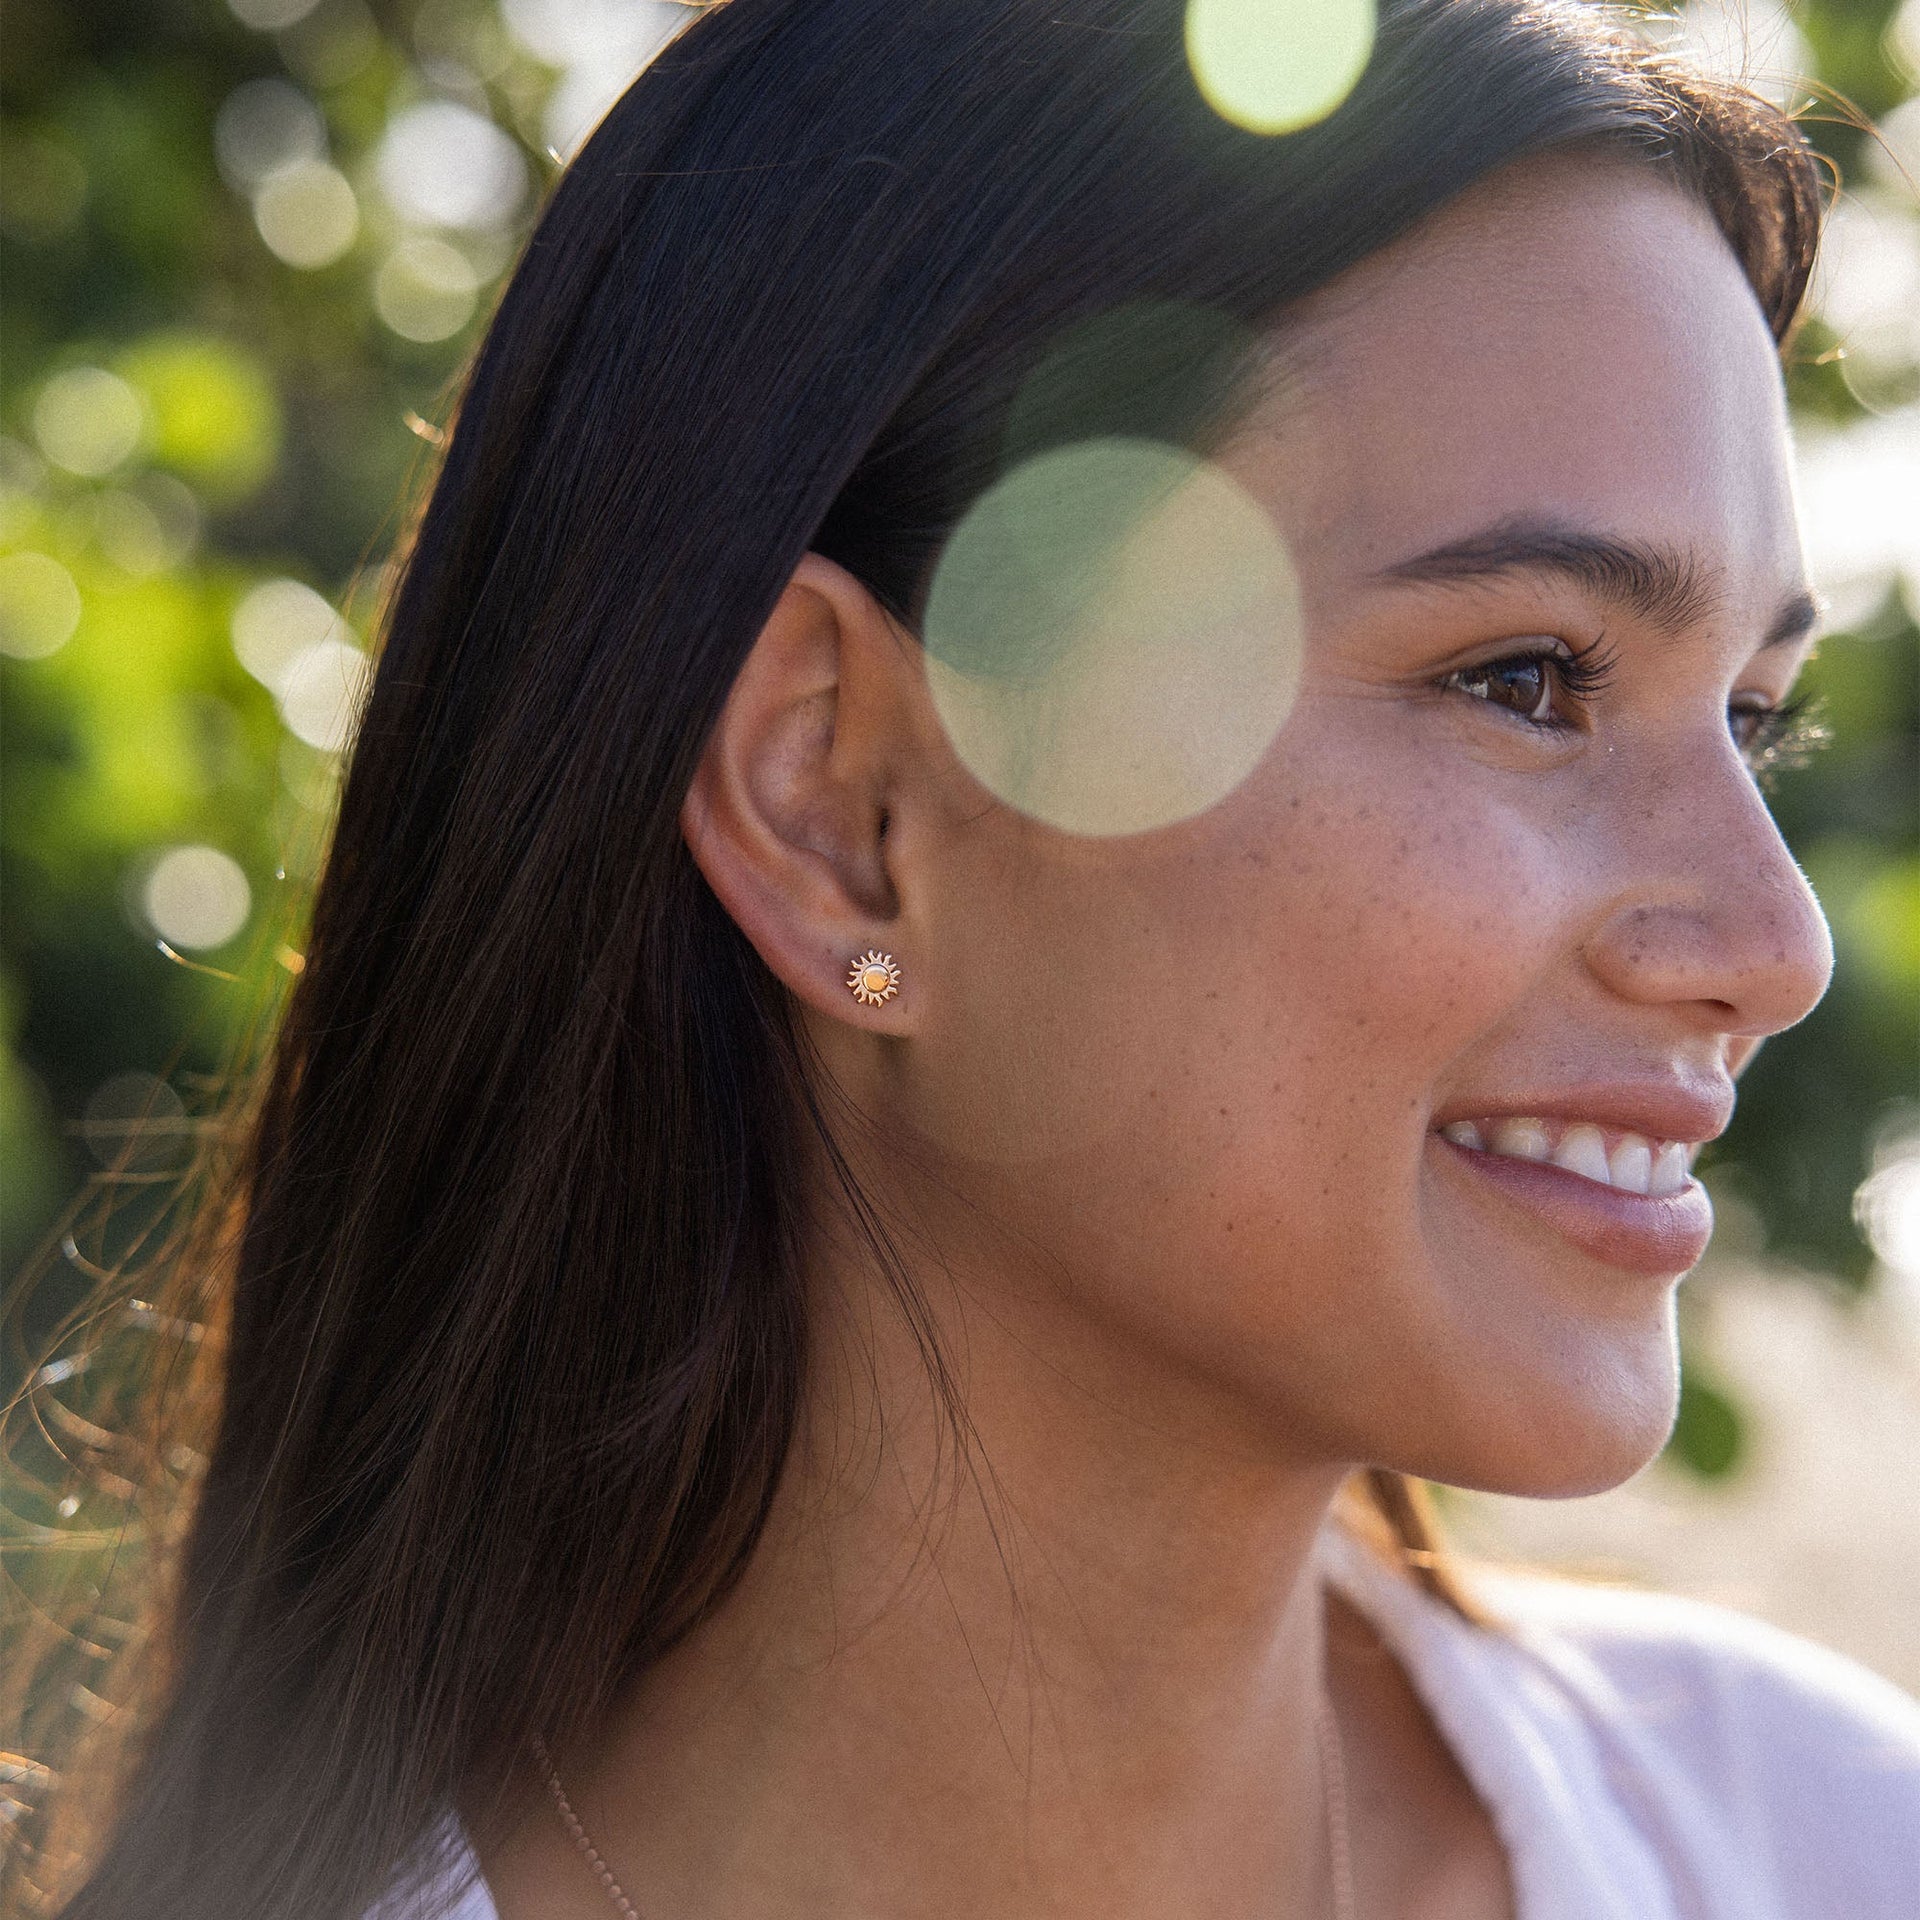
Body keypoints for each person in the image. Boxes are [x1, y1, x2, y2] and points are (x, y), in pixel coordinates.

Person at [28, 1, 1920, 1916]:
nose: (1775, 946)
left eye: (1755, 718)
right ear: (840, 808)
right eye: (1527, 680)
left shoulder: (1830, 1844)